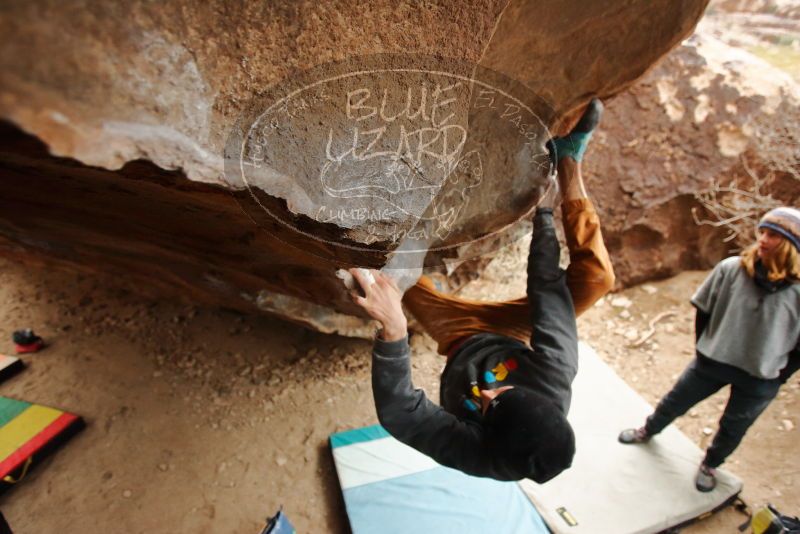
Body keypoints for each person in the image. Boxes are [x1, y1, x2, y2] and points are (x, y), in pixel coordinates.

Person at [349, 99, 615, 482]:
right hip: (511, 332)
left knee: (370, 282)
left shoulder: (478, 455)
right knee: (597, 279)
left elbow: (401, 412)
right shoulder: (556, 371)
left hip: (457, 334)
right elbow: (548, 289)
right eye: (503, 392)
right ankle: (569, 160)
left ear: (489, 436)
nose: (487, 394)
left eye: (491, 407)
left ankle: (395, 222)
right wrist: (543, 213)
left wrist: (394, 331)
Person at [618, 206, 800, 492]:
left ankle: (710, 464)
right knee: (675, 401)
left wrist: (778, 377)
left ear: (791, 247)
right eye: (762, 232)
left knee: (734, 427)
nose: (763, 239)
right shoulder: (732, 269)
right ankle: (648, 430)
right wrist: (705, 346)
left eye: (773, 236)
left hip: (760, 376)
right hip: (714, 359)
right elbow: (703, 310)